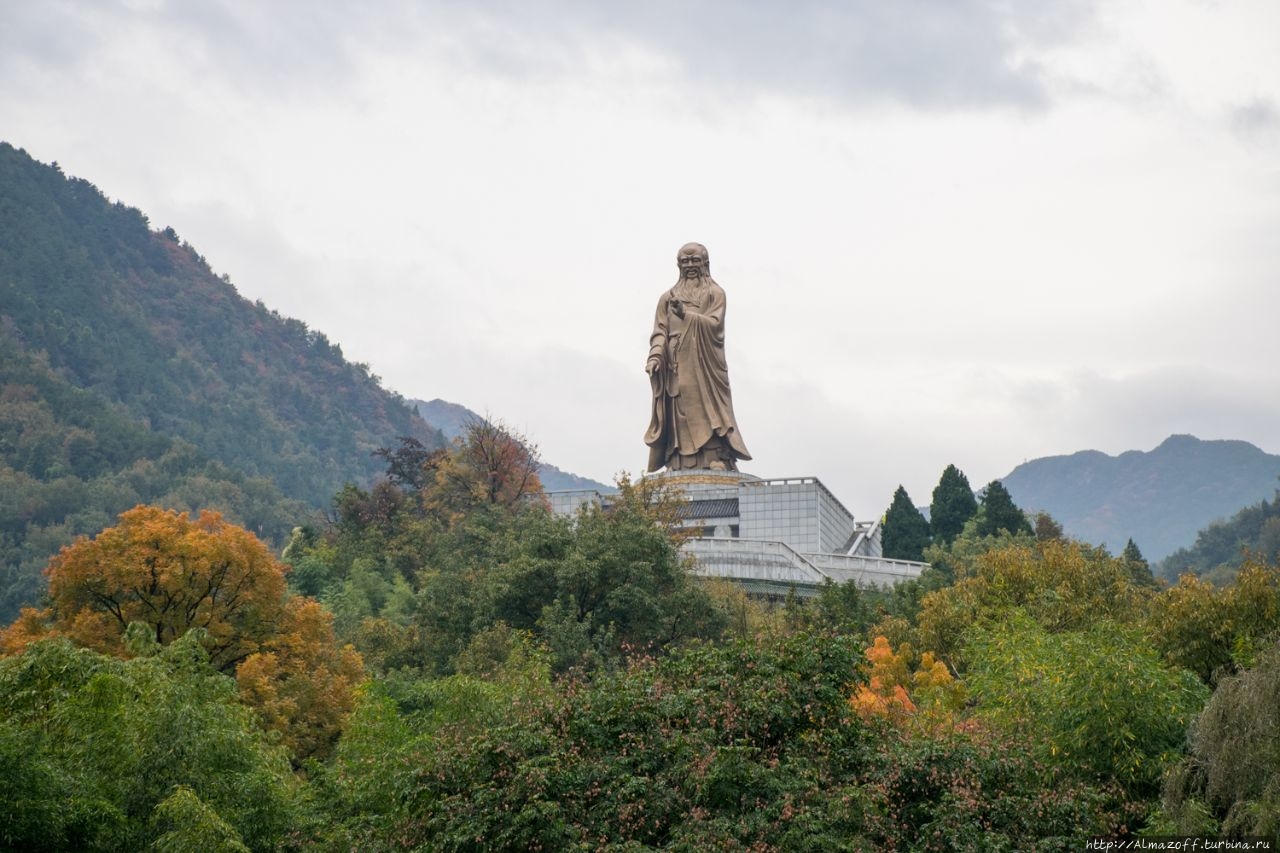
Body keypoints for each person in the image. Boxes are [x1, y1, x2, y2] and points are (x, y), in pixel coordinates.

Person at [644, 242, 751, 472]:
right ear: (678, 265)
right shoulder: (667, 298)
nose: (690, 266)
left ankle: (714, 455)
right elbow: (660, 332)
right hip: (674, 362)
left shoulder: (715, 293)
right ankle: (678, 459)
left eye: (695, 261)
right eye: (685, 261)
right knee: (678, 407)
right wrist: (655, 357)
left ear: (706, 264)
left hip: (703, 362)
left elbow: (714, 325)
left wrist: (686, 314)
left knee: (706, 407)